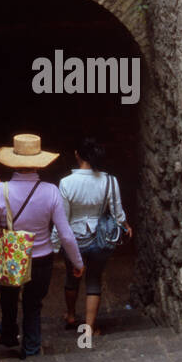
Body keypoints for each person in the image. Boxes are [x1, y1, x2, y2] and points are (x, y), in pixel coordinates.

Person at [0, 133, 83, 360]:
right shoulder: (51, 191)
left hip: (10, 254)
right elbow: (65, 233)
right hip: (42, 257)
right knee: (33, 304)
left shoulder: (1, 191)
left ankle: (8, 333)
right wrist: (77, 262)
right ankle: (31, 347)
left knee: (8, 297)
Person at [56, 138, 132, 340]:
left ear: (77, 155)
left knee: (72, 277)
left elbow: (62, 217)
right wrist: (125, 226)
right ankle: (89, 328)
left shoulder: (66, 183)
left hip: (74, 240)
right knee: (94, 280)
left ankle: (71, 315)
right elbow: (117, 212)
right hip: (100, 239)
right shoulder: (109, 181)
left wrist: (55, 242)